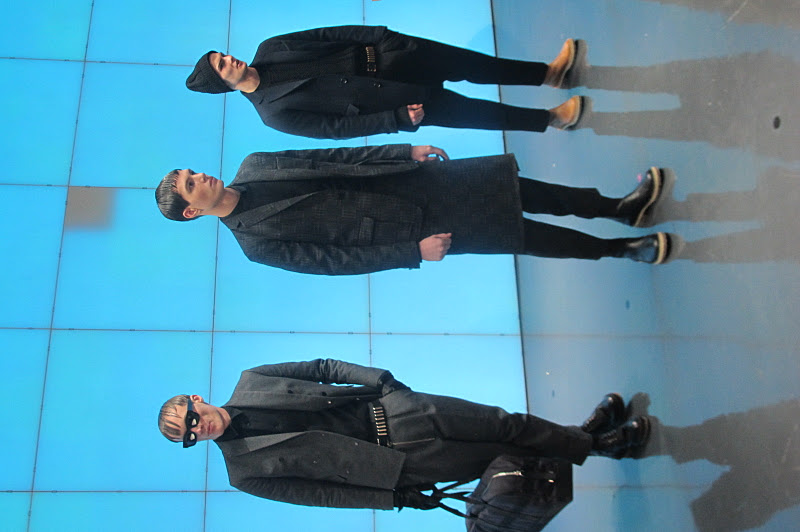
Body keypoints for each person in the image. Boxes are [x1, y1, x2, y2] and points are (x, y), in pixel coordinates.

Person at [157, 358, 651, 509]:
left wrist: (381, 381)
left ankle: (592, 442)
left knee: (505, 422)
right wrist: (395, 499)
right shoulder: (243, 474)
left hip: (394, 410)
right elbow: (322, 495)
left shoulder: (252, 379)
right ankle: (595, 441)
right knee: (500, 455)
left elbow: (322, 367)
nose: (200, 427)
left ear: (196, 399)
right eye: (189, 436)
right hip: (400, 465)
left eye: (191, 417)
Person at [155, 143, 679, 276]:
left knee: (526, 189)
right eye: (190, 186)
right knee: (526, 236)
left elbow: (335, 157)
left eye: (192, 172)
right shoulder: (255, 244)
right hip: (409, 227)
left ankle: (619, 207)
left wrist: (403, 151)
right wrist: (412, 253)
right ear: (191, 212)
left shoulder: (255, 163)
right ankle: (622, 249)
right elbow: (337, 262)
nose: (201, 178)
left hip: (406, 180)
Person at [184, 25, 587, 139]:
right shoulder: (273, 114)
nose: (230, 59)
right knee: (475, 114)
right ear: (224, 85)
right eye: (222, 66)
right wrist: (395, 120)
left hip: (391, 55)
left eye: (223, 55)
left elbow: (329, 34)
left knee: (475, 65)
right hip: (396, 103)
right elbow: (338, 129)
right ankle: (551, 118)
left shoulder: (270, 47)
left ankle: (548, 74)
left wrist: (381, 36)